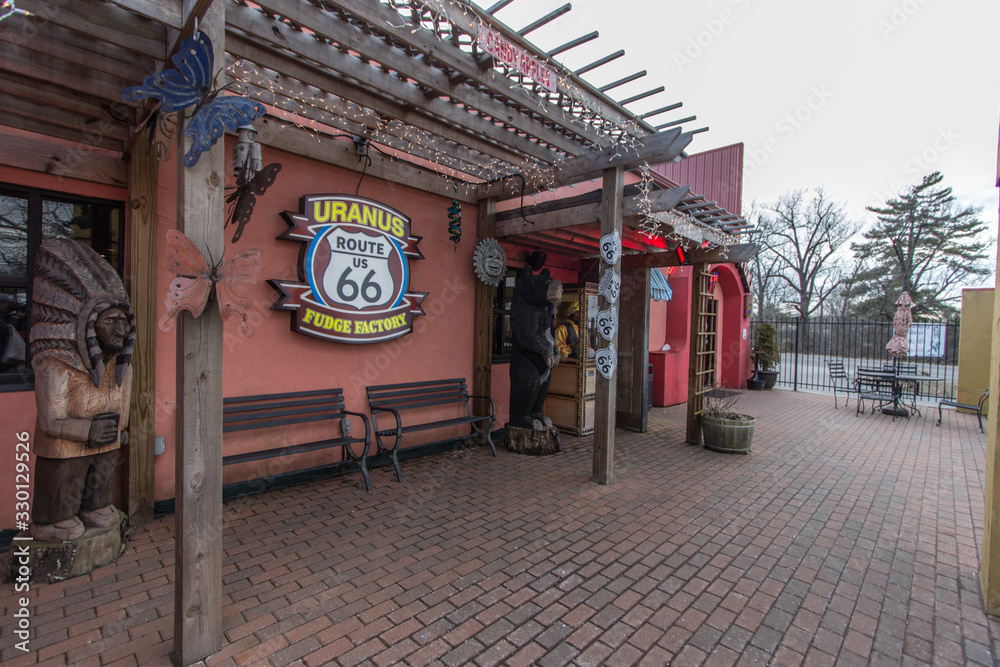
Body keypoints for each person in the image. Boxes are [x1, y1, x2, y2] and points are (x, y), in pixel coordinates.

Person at [29, 239, 135, 542]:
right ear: (89, 324)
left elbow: (123, 404)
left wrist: (121, 428)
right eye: (110, 322)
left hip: (105, 440)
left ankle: (96, 506)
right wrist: (86, 429)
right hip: (68, 441)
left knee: (102, 471)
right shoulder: (57, 365)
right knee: (65, 473)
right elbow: (51, 421)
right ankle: (53, 520)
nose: (120, 330)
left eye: (124, 322)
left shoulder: (122, 365)